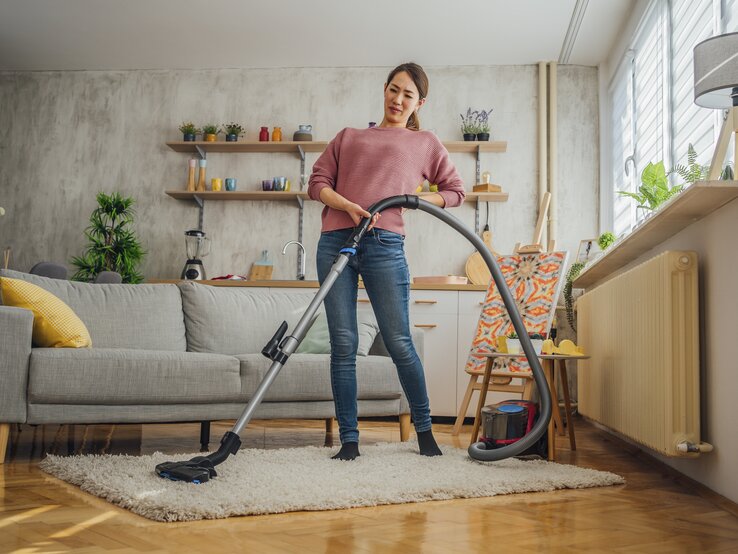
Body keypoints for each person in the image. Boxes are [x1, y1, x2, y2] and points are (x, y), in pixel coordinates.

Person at [308, 62, 465, 460]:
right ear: (384, 90)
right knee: (343, 344)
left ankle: (426, 432)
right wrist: (347, 205)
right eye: (393, 90)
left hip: (384, 243)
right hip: (335, 241)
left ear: (419, 102)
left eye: (407, 94)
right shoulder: (349, 136)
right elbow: (317, 183)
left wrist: (412, 200)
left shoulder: (425, 142)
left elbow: (455, 191)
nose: (398, 99)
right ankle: (349, 440)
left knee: (398, 341)